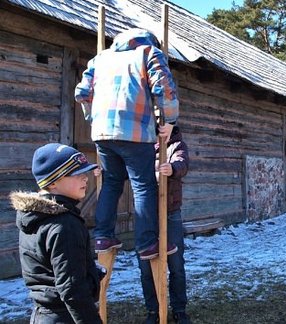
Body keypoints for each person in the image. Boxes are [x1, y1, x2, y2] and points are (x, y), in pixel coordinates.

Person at [75, 28, 179, 260]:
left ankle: (102, 235)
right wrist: (170, 119)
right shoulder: (148, 52)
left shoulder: (100, 58)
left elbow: (82, 92)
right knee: (143, 185)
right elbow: (164, 87)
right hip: (134, 130)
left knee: (111, 182)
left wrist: (93, 118)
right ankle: (147, 243)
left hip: (102, 132)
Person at [10, 143, 104, 323]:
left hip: (42, 316)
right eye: (77, 174)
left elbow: (48, 271)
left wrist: (89, 272)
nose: (85, 178)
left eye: (85, 172)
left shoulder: (34, 216)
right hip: (65, 317)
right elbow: (72, 290)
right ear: (52, 182)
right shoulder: (64, 225)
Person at [138, 126, 190, 324]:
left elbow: (182, 163)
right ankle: (153, 310)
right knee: (146, 267)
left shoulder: (177, 145)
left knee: (176, 265)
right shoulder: (143, 149)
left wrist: (173, 168)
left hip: (170, 214)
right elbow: (129, 171)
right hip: (146, 217)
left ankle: (179, 309)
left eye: (165, 124)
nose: (161, 127)